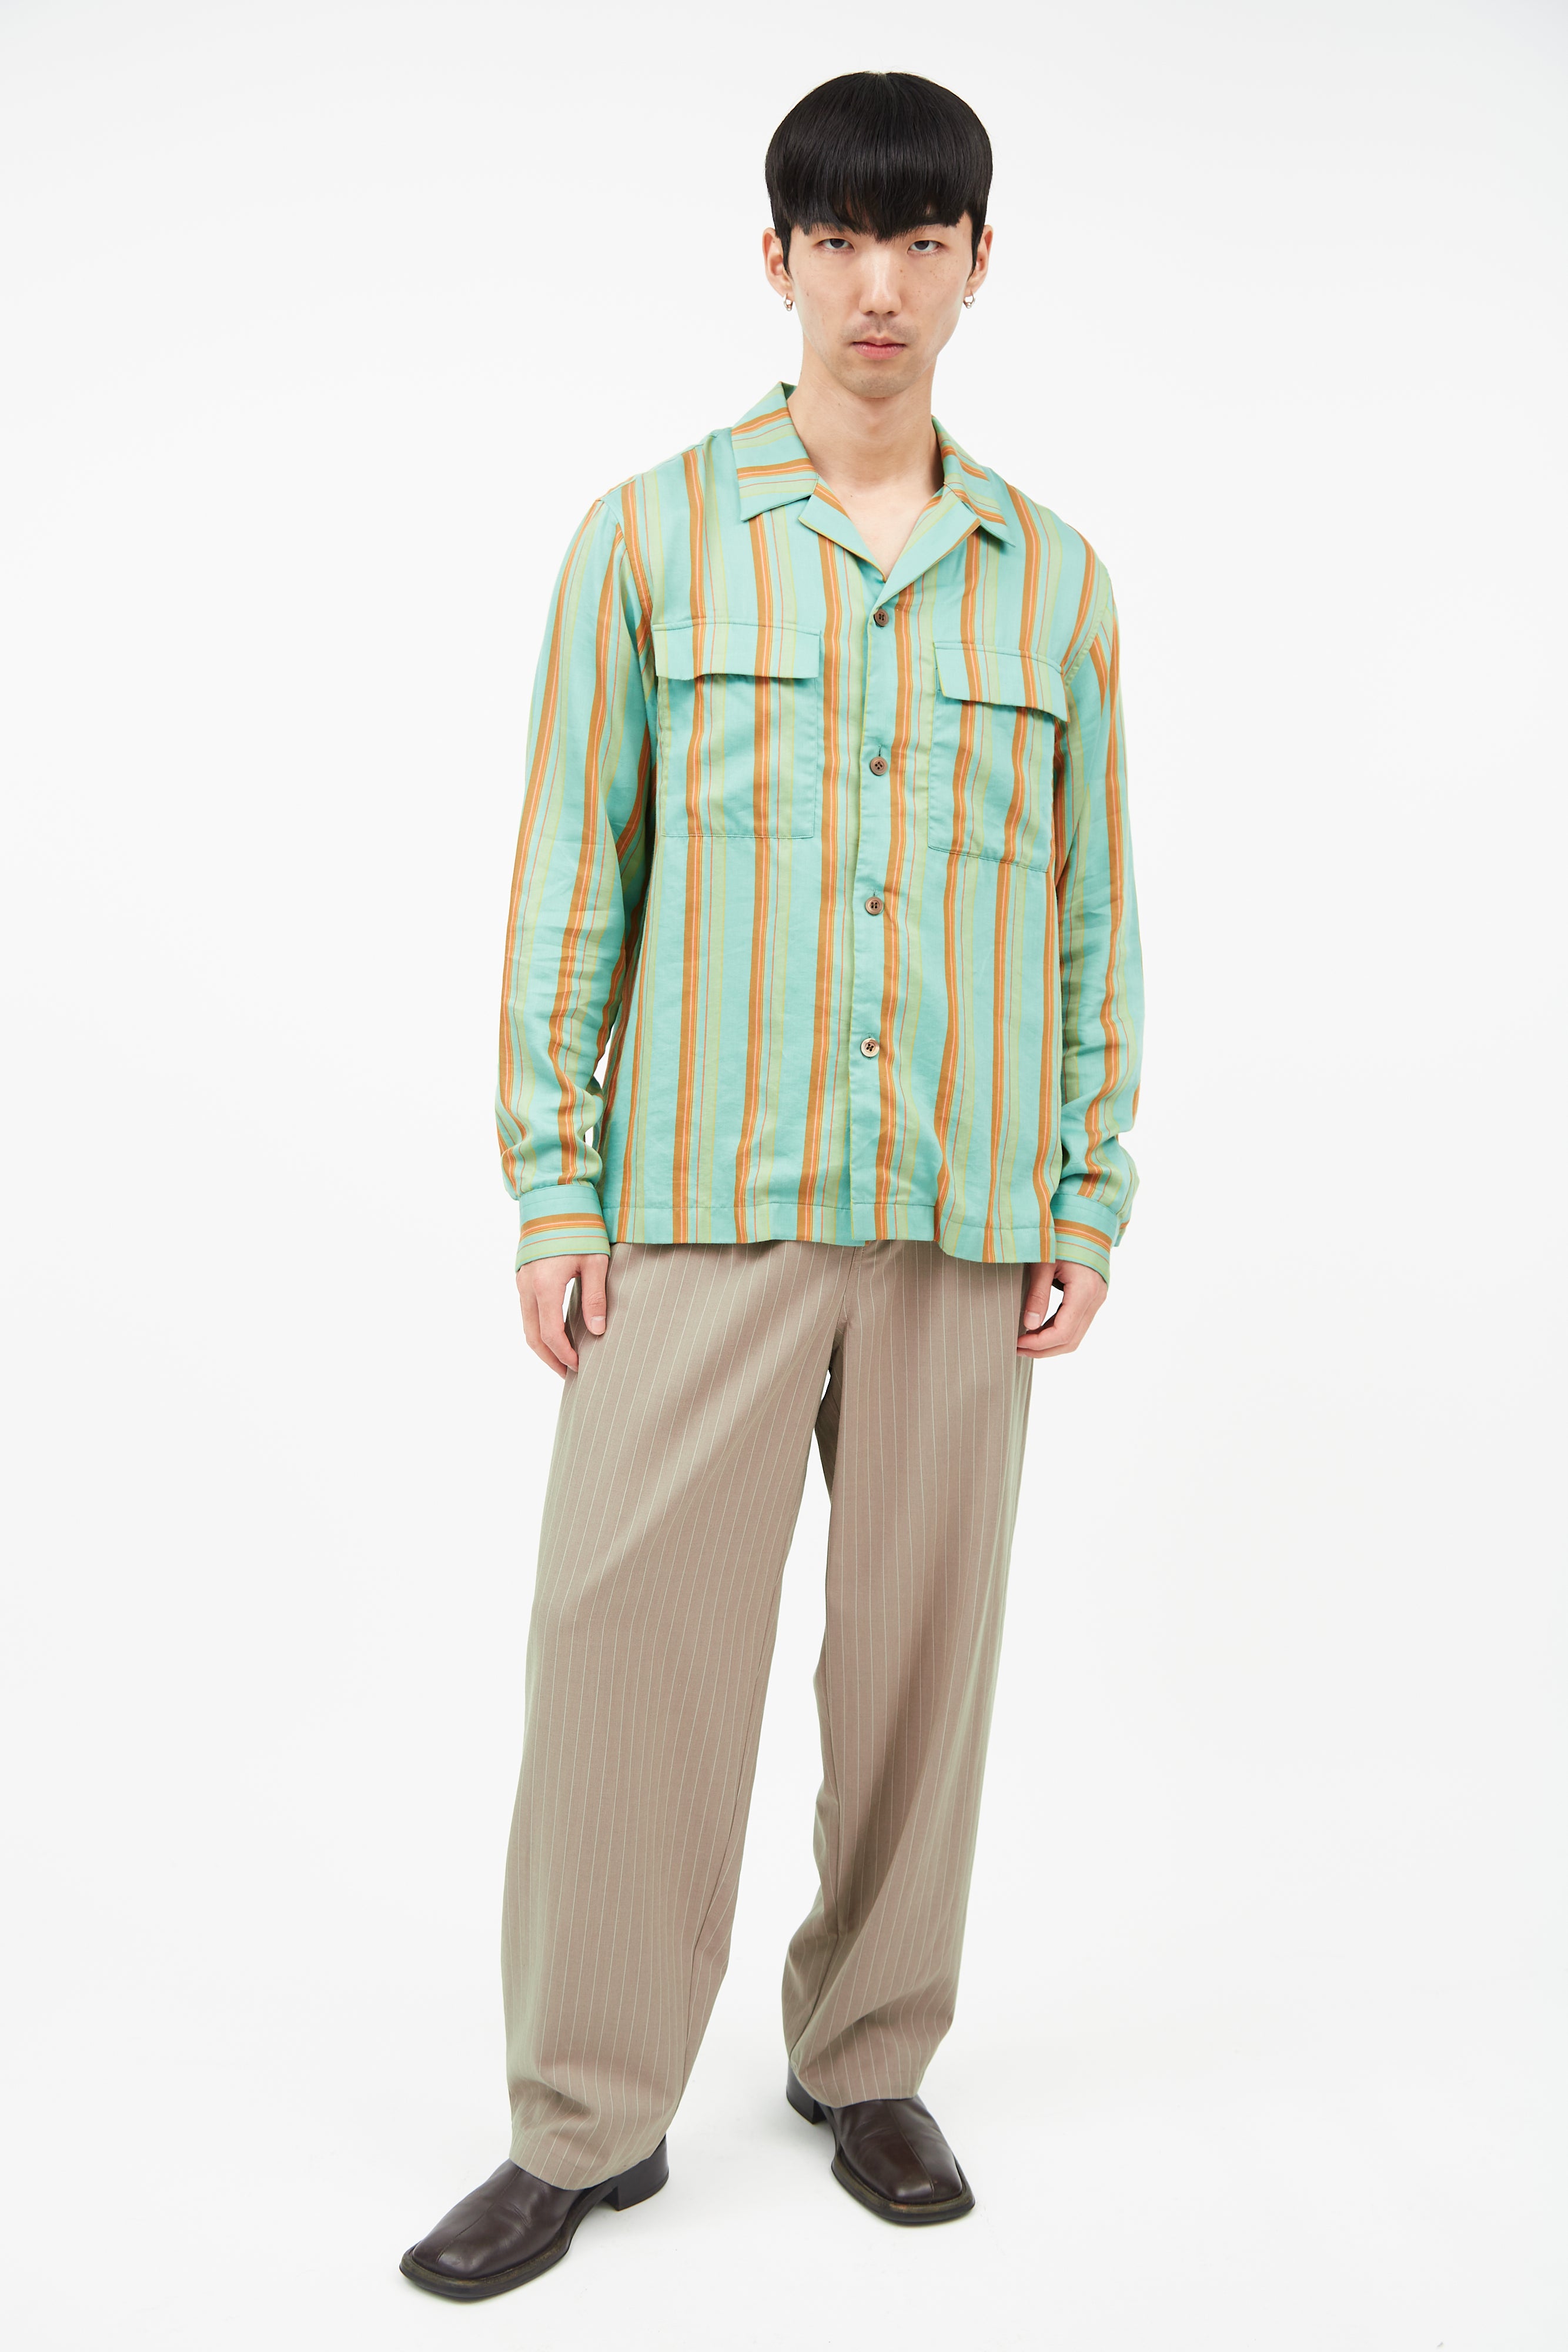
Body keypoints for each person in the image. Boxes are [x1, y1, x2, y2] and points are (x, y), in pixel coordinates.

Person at [400, 68, 1144, 2301]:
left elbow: (1091, 910)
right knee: (621, 1650)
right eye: (838, 240)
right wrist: (554, 1190)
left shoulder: (1051, 578)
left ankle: (866, 2060)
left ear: (980, 263)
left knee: (917, 1674)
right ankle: (582, 2119)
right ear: (776, 260)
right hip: (699, 1202)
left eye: (920, 241)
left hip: (963, 1216)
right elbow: (573, 875)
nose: (876, 285)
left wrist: (1084, 1187)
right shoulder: (648, 538)